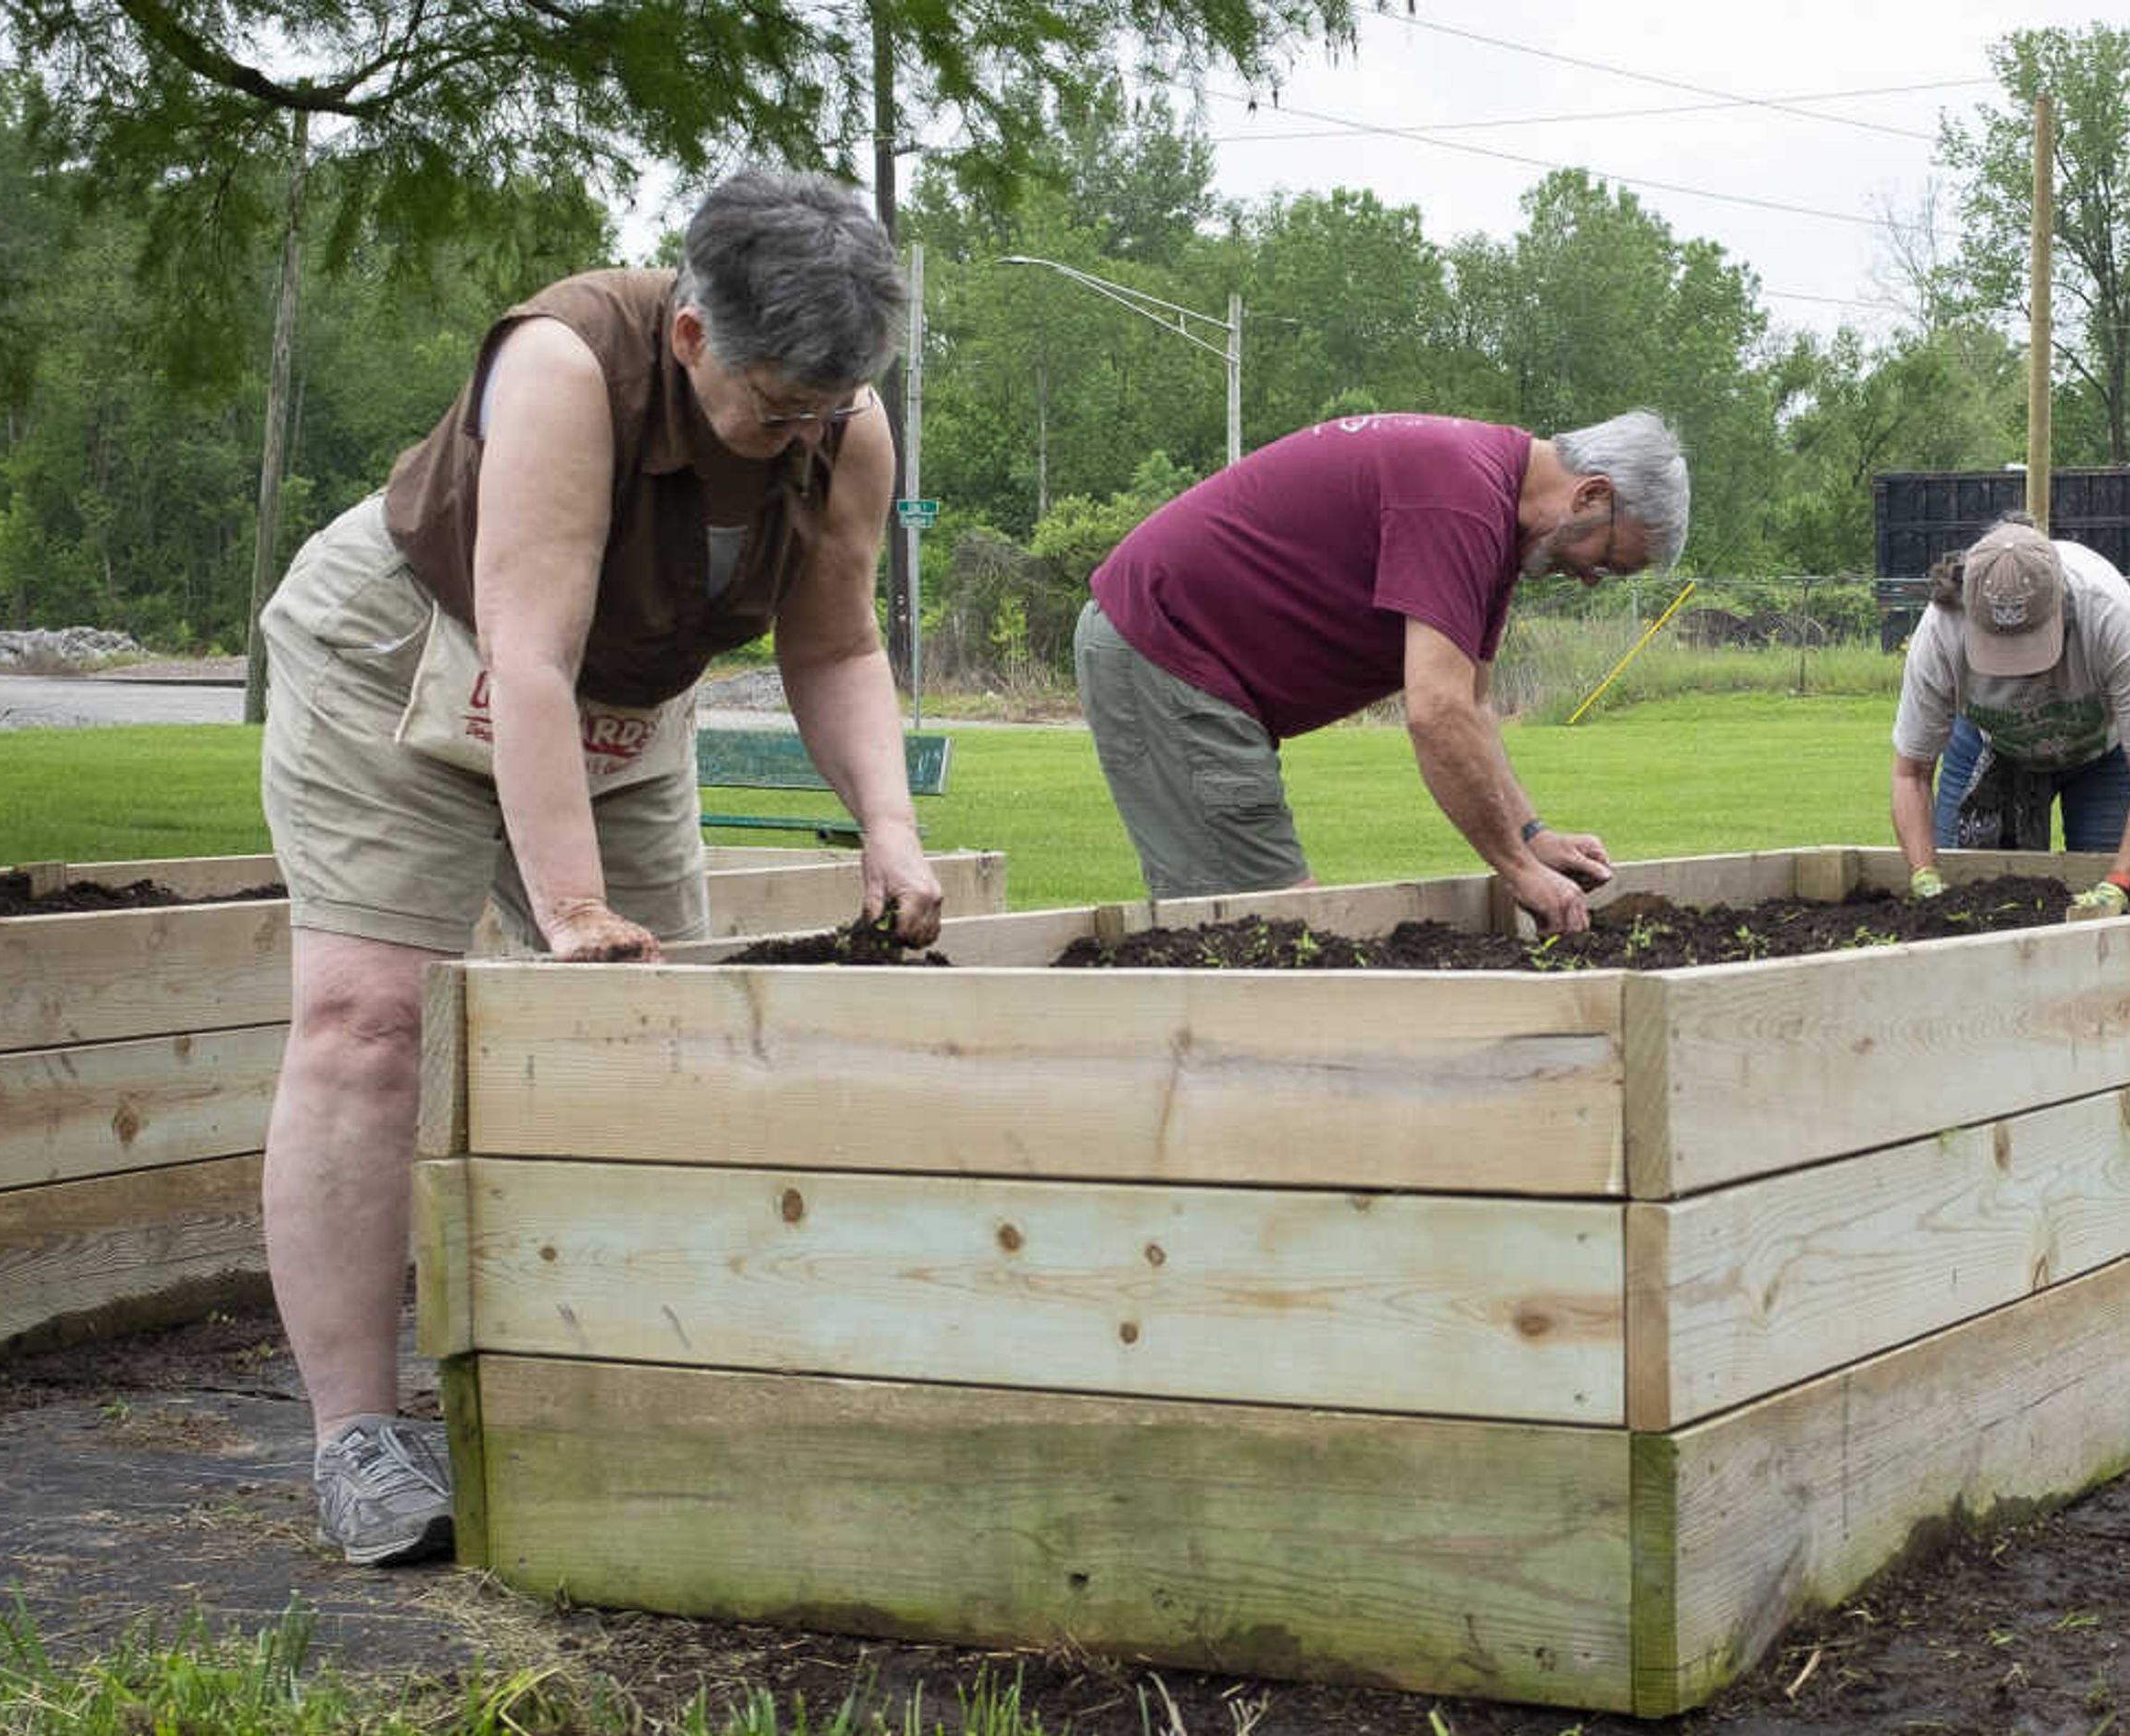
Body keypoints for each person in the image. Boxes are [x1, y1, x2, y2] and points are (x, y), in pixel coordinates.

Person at [256, 166, 945, 1568]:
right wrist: (567, 909)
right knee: (369, 1020)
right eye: (777, 404)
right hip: (414, 652)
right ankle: (357, 1440)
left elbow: (835, 643)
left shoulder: (844, 422)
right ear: (692, 336)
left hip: (623, 702)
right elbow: (528, 657)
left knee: (661, 1036)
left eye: (830, 404)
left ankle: (643, 1387)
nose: (803, 432)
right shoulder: (568, 366)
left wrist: (888, 825)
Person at [1075, 410, 1690, 933]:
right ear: (1591, 495)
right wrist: (1520, 872)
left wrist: (1533, 835)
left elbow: (1471, 704)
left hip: (1186, 658)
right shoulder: (1461, 497)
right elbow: (1434, 712)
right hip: (1166, 648)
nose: (1589, 579)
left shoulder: (1497, 511)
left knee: (1262, 942)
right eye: (1608, 560)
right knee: (1266, 938)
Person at [1890, 521, 2130, 920]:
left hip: (2106, 746)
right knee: (1969, 897)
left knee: (2105, 902)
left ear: (2062, 605)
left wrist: (2119, 883)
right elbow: (1911, 774)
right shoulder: (1941, 632)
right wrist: (1924, 878)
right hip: (1991, 740)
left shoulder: (2112, 620)